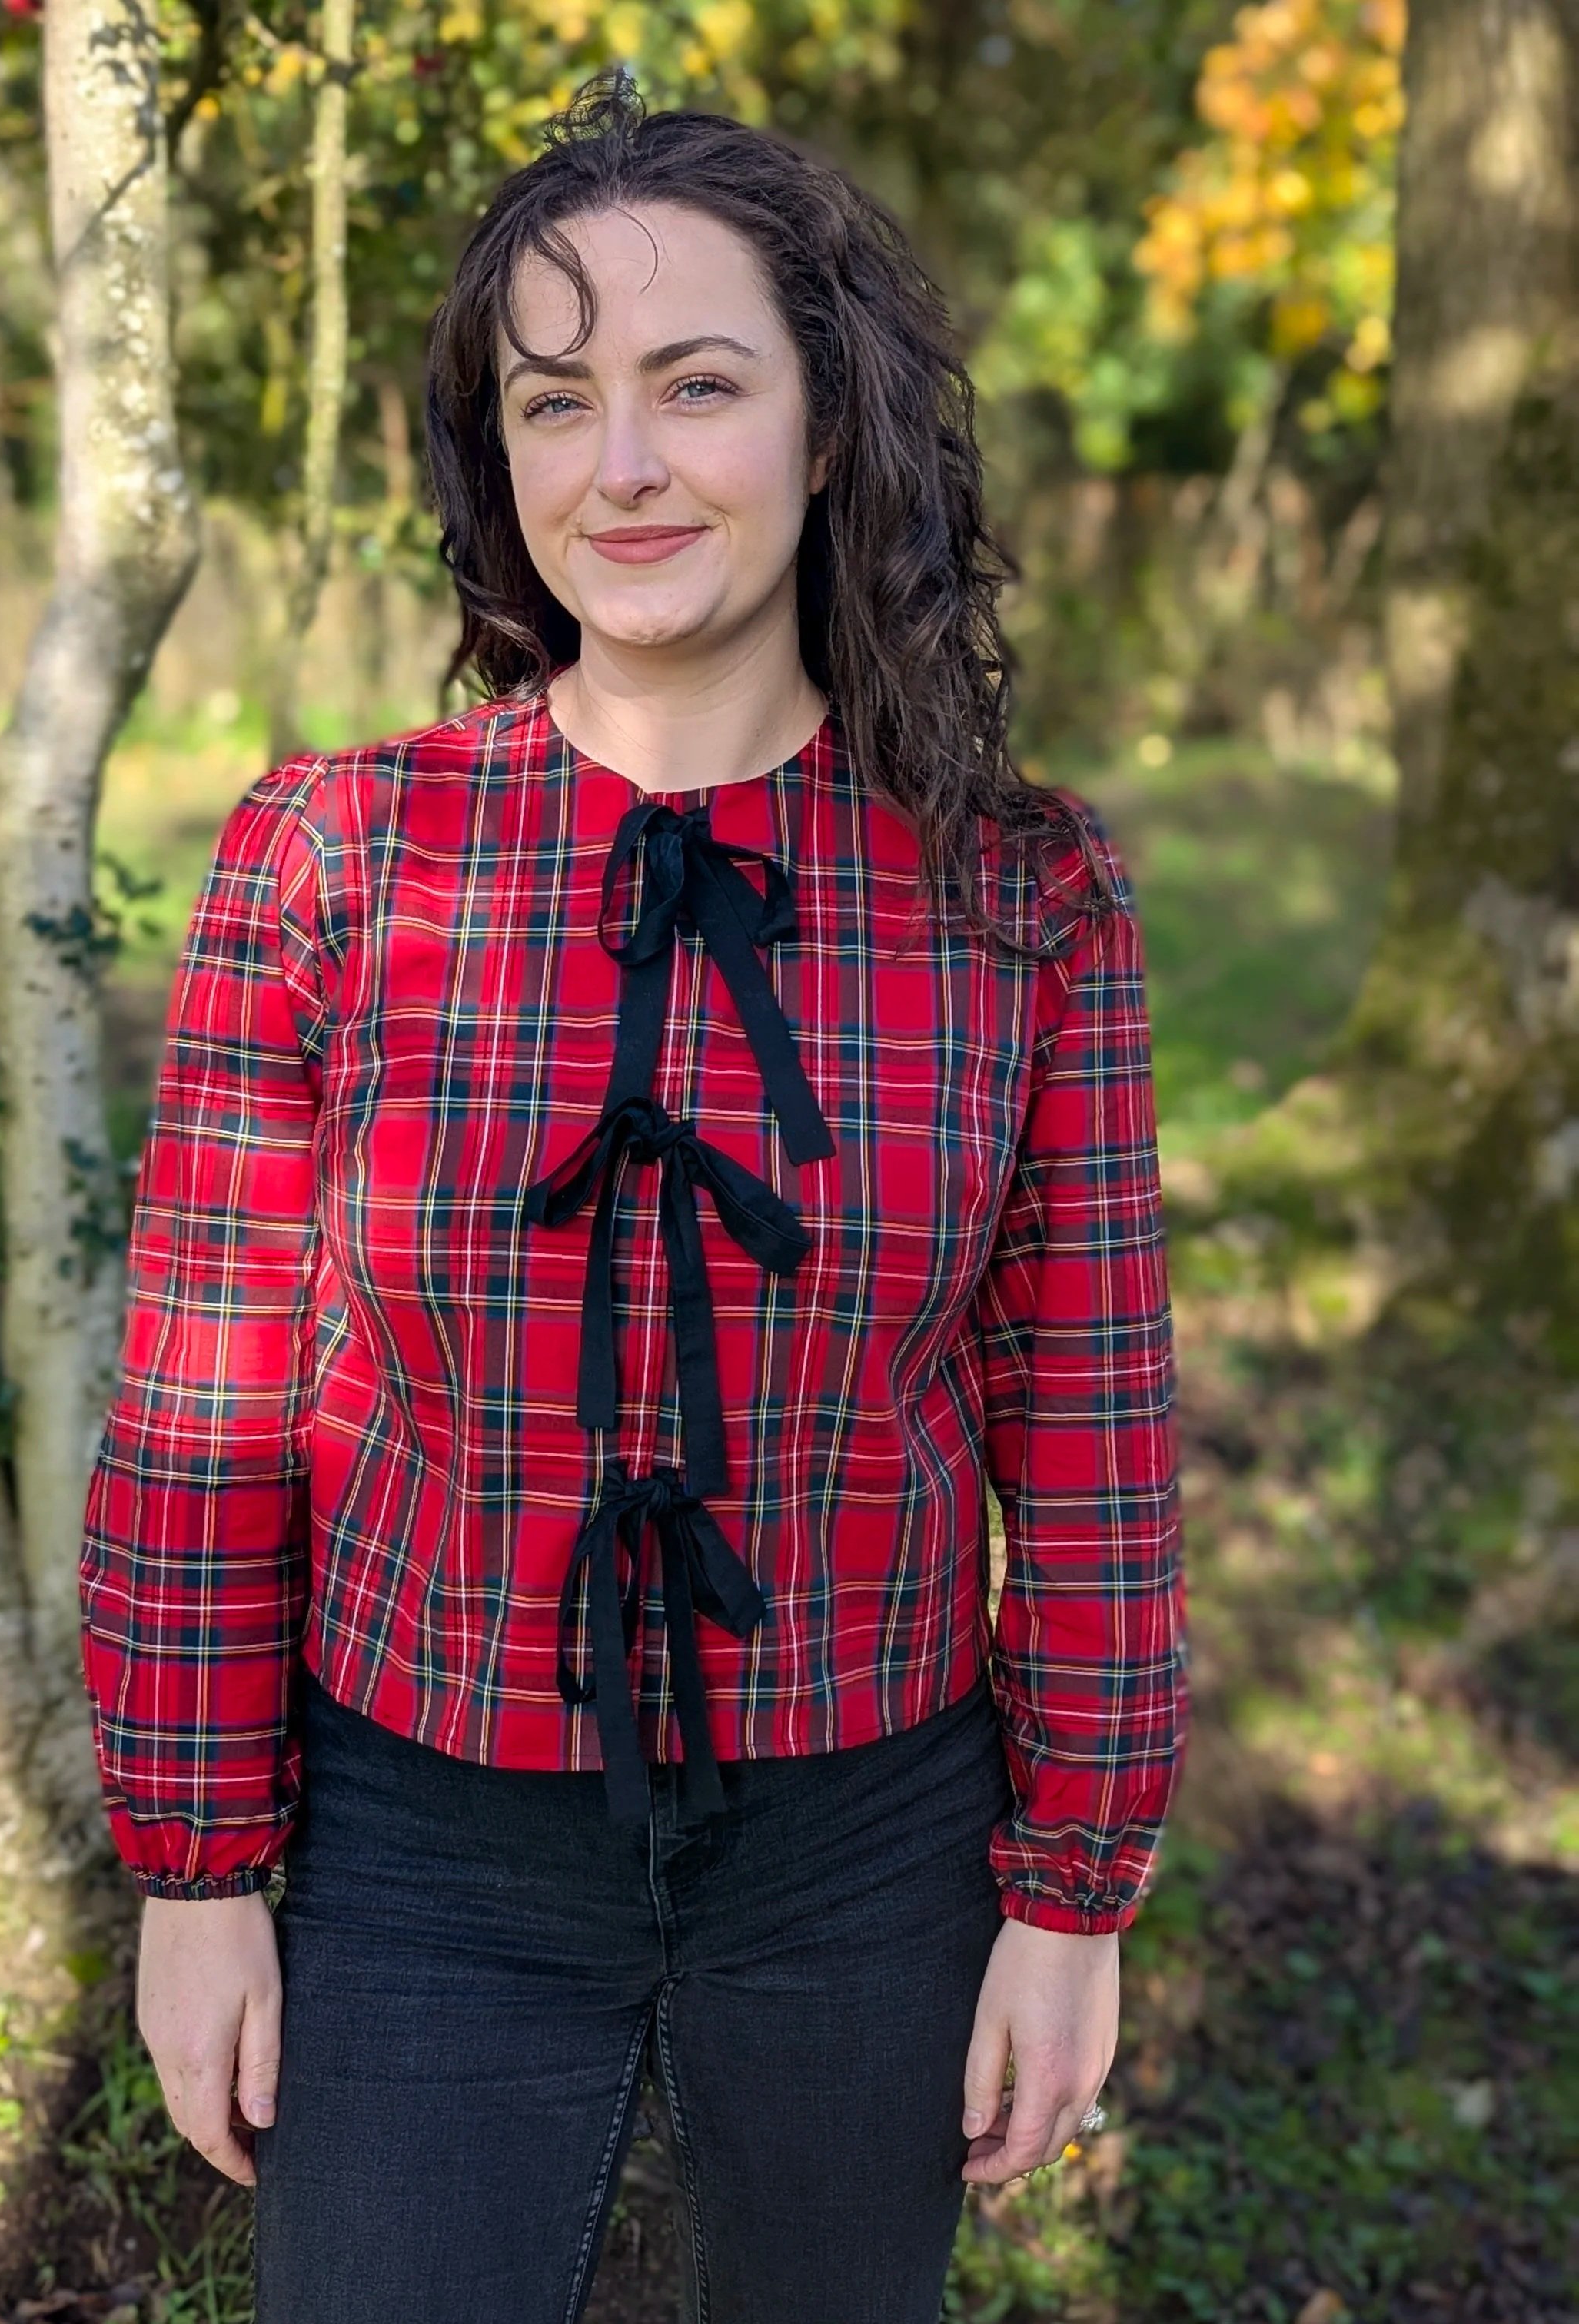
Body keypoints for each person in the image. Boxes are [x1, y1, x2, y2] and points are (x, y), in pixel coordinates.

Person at [78, 68, 1187, 2324]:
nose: (624, 466)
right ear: (495, 457)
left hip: (871, 1838)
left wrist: (1070, 1895)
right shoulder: (330, 856)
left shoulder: (1021, 894)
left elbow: (1087, 1433)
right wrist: (197, 1869)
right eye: (554, 400)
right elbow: (203, 1402)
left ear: (830, 422)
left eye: (696, 384)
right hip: (419, 1832)